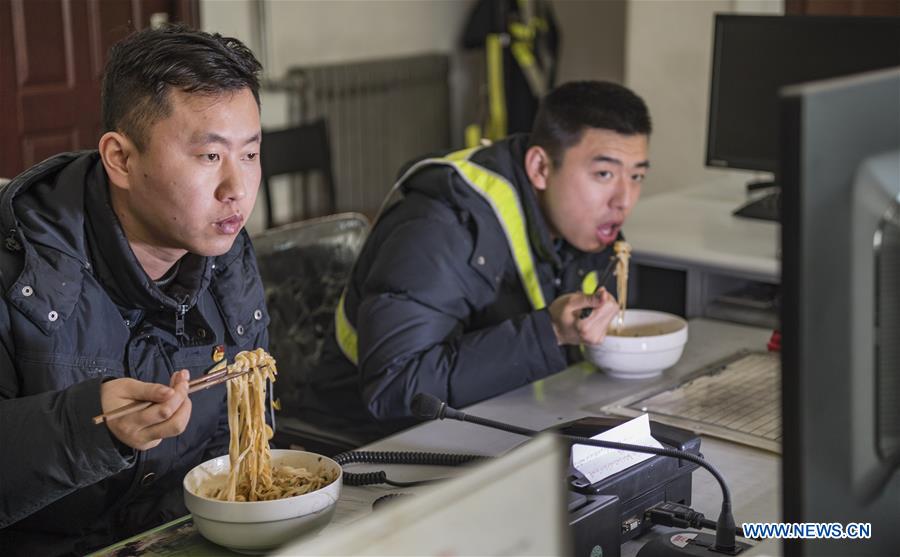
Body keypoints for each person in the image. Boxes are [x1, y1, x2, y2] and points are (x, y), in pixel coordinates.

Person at [0, 25, 268, 555]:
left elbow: (238, 442)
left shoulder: (225, 252)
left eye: (251, 155)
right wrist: (87, 427)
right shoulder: (19, 268)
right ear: (121, 159)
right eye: (210, 157)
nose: (236, 189)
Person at [300, 80, 652, 440]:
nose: (624, 199)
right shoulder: (441, 226)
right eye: (604, 174)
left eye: (637, 175)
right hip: (365, 444)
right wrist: (548, 332)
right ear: (540, 169)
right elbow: (397, 389)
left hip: (499, 421)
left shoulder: (586, 228)